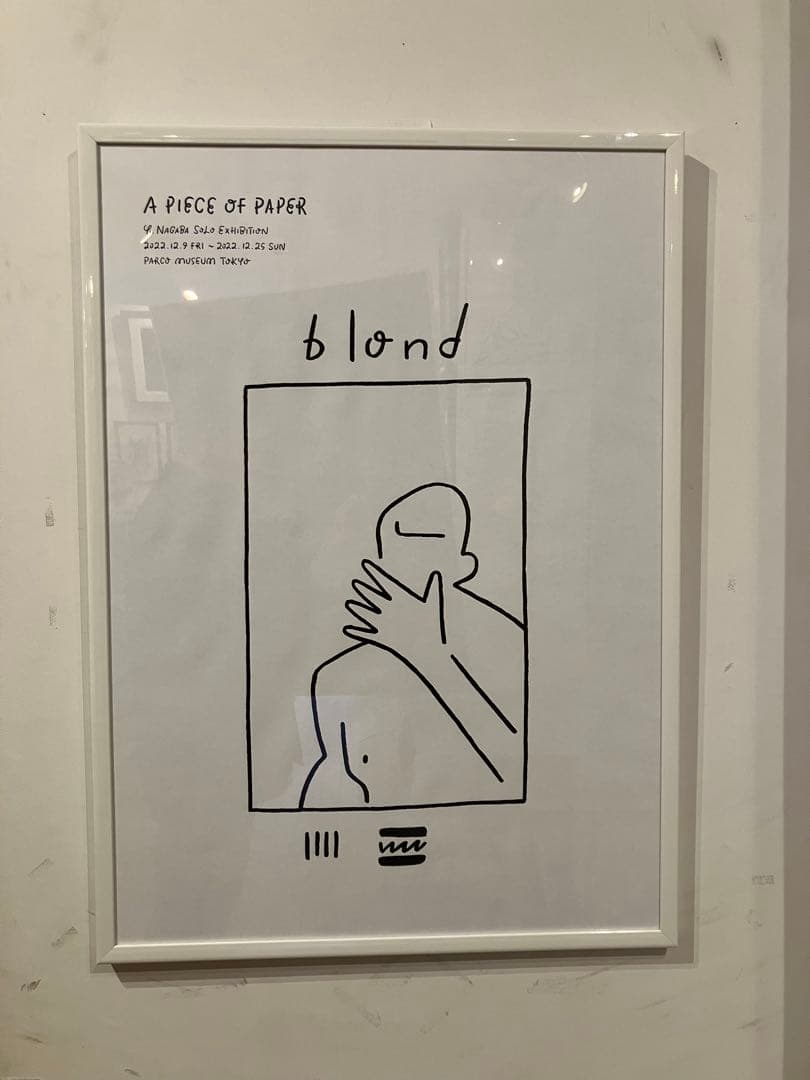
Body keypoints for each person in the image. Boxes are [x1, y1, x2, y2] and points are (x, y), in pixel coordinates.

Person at [299, 483, 524, 808]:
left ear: (464, 564)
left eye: (427, 544)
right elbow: (331, 781)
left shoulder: (509, 644)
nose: (407, 566)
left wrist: (430, 657)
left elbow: (527, 767)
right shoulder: (336, 675)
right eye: (395, 551)